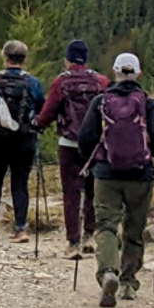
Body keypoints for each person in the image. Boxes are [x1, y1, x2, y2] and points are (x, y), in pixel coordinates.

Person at [77, 51, 154, 307]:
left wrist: (91, 162)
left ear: (114, 71)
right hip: (141, 175)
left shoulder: (100, 102)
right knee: (134, 229)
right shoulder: (148, 104)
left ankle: (108, 271)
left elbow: (85, 138)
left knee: (106, 226)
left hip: (106, 174)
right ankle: (128, 282)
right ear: (138, 73)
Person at [37, 38, 108, 257]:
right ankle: (90, 235)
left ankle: (73, 242)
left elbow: (48, 112)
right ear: (86, 59)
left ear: (67, 60)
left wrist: (38, 125)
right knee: (92, 191)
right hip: (94, 144)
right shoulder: (101, 81)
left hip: (68, 143)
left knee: (71, 193)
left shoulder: (62, 82)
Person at [0, 39, 45, 241]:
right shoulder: (32, 82)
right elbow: (42, 107)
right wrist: (37, 126)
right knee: (20, 182)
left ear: (5, 57)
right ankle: (20, 227)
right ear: (24, 58)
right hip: (24, 138)